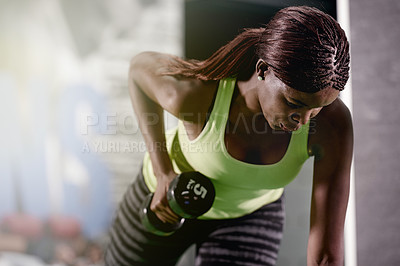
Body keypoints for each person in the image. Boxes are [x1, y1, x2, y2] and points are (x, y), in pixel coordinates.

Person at [105, 5, 353, 266]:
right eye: (294, 103)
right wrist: (162, 171)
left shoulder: (332, 126)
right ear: (262, 70)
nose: (304, 121)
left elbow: (326, 254)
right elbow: (138, 69)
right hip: (168, 200)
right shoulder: (195, 96)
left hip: (250, 214)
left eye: (319, 107)